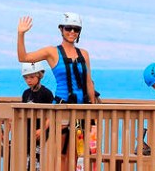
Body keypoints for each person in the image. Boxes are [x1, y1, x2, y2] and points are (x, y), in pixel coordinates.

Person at [17, 12, 96, 169]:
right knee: (61, 153)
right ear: (61, 29)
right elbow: (23, 57)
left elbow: (88, 83)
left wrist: (93, 108)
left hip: (82, 109)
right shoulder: (52, 52)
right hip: (62, 107)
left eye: (76, 29)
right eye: (68, 28)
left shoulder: (84, 54)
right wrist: (21, 34)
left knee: (75, 154)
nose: (72, 32)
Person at [21, 62, 54, 171]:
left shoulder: (46, 93)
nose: (28, 80)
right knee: (26, 162)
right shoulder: (26, 94)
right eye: (26, 78)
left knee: (37, 162)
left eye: (31, 77)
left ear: (39, 76)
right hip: (28, 133)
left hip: (41, 134)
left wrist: (43, 129)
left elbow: (51, 114)